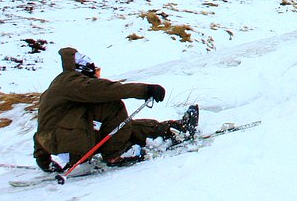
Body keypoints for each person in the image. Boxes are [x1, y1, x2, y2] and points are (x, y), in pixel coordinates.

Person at [32, 47, 198, 172]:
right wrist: (145, 90)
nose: (96, 76)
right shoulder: (71, 81)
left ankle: (174, 129)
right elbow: (105, 90)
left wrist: (44, 161)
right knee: (112, 105)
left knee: (121, 127)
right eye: (95, 71)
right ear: (83, 69)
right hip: (72, 143)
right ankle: (116, 155)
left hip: (67, 143)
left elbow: (43, 130)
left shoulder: (57, 88)